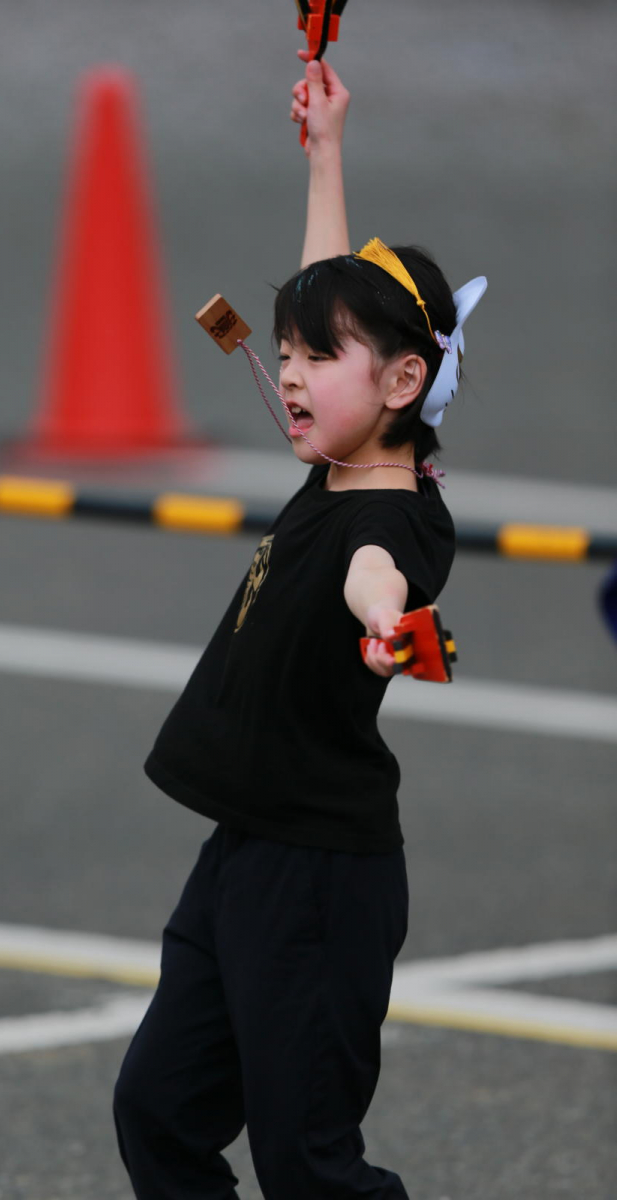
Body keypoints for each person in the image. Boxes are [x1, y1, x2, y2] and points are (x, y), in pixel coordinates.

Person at [113, 49, 485, 1200]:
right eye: (280, 353)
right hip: (243, 852)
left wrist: (389, 627)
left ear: (401, 383)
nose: (286, 376)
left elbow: (377, 579)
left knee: (307, 1165)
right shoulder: (334, 463)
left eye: (317, 357)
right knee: (160, 1114)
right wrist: (324, 148)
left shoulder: (395, 518)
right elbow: (329, 273)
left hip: (321, 881)